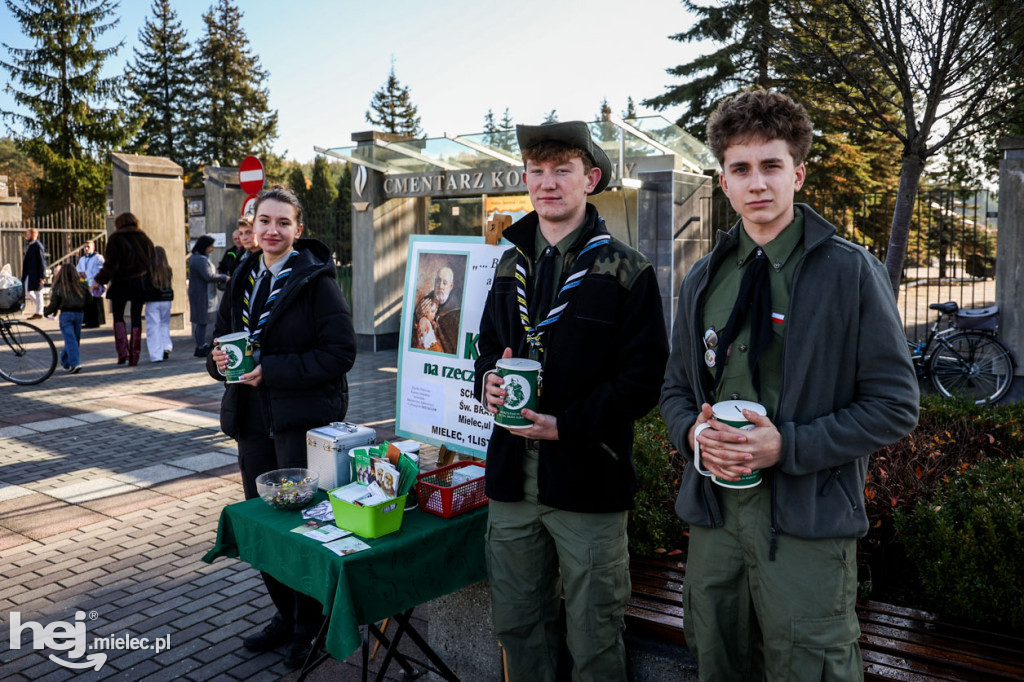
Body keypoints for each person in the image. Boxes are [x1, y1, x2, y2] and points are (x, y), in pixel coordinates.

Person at [659, 90, 920, 681]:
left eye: (771, 166)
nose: (757, 183)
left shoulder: (849, 272)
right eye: (741, 169)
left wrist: (788, 446)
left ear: (798, 173)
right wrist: (694, 439)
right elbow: (675, 388)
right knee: (717, 660)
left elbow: (896, 406)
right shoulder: (703, 277)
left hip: (805, 525)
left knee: (809, 670)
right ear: (722, 181)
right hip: (714, 519)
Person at [473, 121, 669, 682]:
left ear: (592, 178)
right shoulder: (509, 262)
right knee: (519, 624)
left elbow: (644, 379)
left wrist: (568, 425)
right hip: (513, 481)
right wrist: (487, 380)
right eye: (537, 171)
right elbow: (488, 348)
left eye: (562, 170)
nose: (548, 184)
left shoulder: (627, 269)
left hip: (589, 481)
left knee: (595, 635)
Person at [207, 186, 356, 668]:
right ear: (252, 224)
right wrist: (220, 361)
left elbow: (340, 354)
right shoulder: (244, 275)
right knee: (268, 528)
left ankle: (311, 625)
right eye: (264, 221)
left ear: (298, 229)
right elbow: (222, 340)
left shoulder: (316, 281)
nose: (272, 231)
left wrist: (273, 369)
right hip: (252, 422)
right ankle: (285, 615)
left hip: (299, 423)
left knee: (301, 527)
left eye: (283, 223)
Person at [93, 212, 156, 367]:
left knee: (118, 317)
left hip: (121, 283)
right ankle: (135, 356)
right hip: (140, 283)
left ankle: (122, 353)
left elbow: (111, 264)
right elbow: (152, 262)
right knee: (136, 317)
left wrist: (99, 281)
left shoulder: (116, 238)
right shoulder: (144, 238)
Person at [188, 235, 228, 357]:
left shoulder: (197, 258)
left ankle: (202, 345)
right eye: (210, 246)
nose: (212, 249)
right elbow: (209, 276)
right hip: (202, 295)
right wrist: (225, 278)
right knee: (202, 322)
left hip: (202, 294)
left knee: (202, 321)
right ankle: (201, 346)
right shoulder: (200, 260)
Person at [43, 264, 87, 374]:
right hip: (79, 314)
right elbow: (89, 299)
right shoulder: (82, 285)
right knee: (74, 340)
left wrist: (46, 311)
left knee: (70, 339)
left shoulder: (59, 287)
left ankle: (74, 363)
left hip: (66, 315)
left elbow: (54, 304)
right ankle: (67, 361)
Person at [412, 265, 460, 354]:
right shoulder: (425, 301)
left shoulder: (456, 310)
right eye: (438, 281)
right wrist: (418, 316)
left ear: (451, 286)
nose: (440, 286)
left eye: (445, 283)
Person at [145, 246, 174, 362]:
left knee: (153, 326)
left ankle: (156, 354)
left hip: (153, 301)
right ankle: (166, 347)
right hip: (166, 300)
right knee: (164, 324)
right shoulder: (168, 269)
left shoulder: (150, 270)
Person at [76, 240, 106, 328]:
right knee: (87, 303)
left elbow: (100, 270)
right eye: (85, 247)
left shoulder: (98, 258)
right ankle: (88, 321)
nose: (86, 248)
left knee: (95, 302)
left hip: (94, 283)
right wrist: (80, 273)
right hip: (85, 283)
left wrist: (89, 275)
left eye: (88, 247)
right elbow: (78, 269)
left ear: (93, 247)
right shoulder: (82, 259)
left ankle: (96, 321)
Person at [21, 228, 47, 319]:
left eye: (28, 234)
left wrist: (42, 276)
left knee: (38, 292)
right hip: (31, 273)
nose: (26, 236)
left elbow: (42, 261)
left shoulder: (37, 245)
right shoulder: (32, 245)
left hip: (36, 273)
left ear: (34, 235)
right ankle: (42, 307)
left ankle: (39, 312)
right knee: (28, 292)